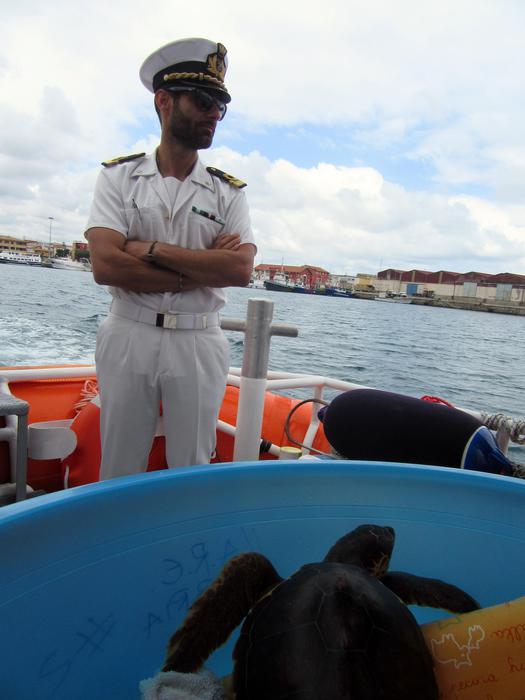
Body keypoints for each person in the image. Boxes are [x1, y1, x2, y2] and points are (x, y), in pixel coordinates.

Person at [85, 38, 256, 480]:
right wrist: (197, 270)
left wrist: (153, 251)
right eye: (203, 100)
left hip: (199, 342)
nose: (213, 113)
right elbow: (106, 265)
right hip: (129, 334)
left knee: (193, 468)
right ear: (164, 101)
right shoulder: (119, 178)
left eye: (220, 104)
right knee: (119, 465)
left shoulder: (228, 192)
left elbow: (239, 269)